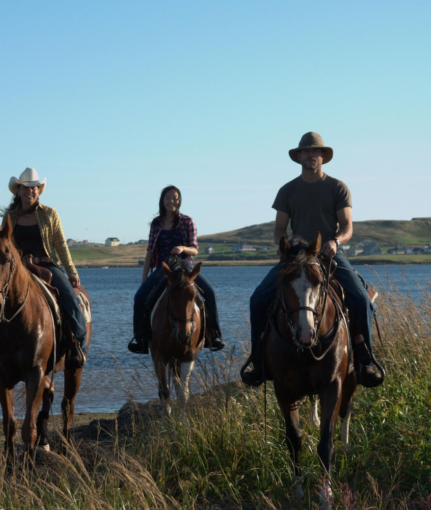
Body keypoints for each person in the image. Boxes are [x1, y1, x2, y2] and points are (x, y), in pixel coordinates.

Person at [241, 132, 383, 387]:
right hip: (296, 257)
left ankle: (365, 360)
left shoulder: (337, 187)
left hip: (329, 254)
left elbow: (347, 227)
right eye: (306, 151)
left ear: (323, 156)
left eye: (315, 151)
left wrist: (335, 241)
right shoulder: (287, 190)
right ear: (299, 157)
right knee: (258, 299)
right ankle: (259, 361)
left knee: (362, 299)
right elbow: (279, 229)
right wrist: (284, 245)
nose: (310, 155)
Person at [0, 167, 88, 371]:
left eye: (34, 188)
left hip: (47, 264)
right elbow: (3, 245)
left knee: (70, 298)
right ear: (18, 191)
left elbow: (61, 245)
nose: (30, 191)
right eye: (25, 188)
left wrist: (72, 272)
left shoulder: (50, 214)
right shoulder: (10, 216)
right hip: (19, 268)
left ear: (38, 191)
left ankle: (78, 346)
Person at [128, 185, 225, 355]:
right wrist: (144, 278)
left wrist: (182, 248)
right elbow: (150, 252)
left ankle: (214, 335)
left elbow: (195, 250)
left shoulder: (187, 221)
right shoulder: (156, 223)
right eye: (168, 198)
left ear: (179, 200)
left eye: (175, 198)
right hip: (163, 268)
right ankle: (140, 338)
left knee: (210, 292)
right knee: (139, 297)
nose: (171, 201)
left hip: (185, 266)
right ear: (162, 201)